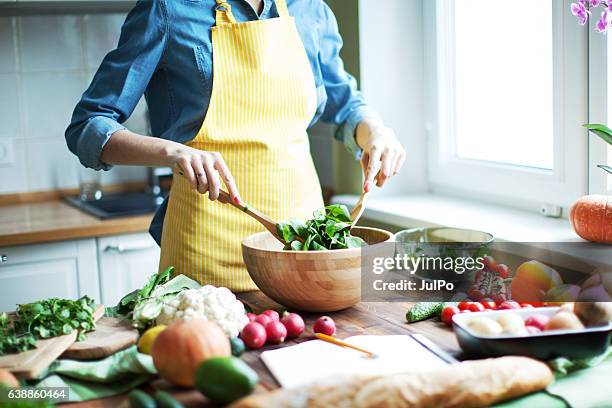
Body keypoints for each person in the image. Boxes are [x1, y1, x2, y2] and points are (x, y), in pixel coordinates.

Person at [66, 0, 405, 290]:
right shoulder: (167, 9)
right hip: (207, 249)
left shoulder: (309, 7)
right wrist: (172, 152)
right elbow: (89, 125)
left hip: (304, 246)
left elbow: (344, 102)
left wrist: (375, 131)